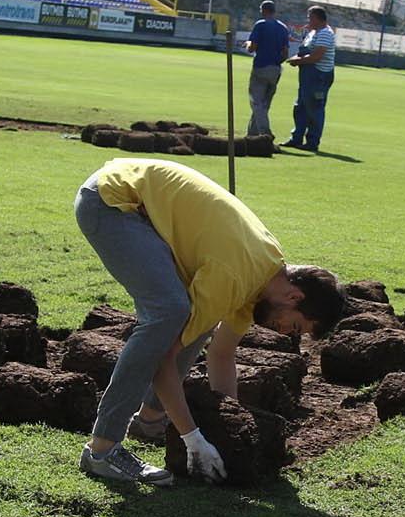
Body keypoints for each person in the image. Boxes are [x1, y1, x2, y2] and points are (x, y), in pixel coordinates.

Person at [71, 157, 344, 485]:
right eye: (295, 326)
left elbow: (222, 354)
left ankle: (150, 420)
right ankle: (102, 450)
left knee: (195, 326)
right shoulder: (234, 276)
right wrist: (192, 438)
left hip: (140, 206)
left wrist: (229, 424)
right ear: (294, 298)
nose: (286, 333)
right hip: (113, 200)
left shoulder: (263, 276)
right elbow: (163, 360)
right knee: (168, 316)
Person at [285, 5, 337, 152]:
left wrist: (298, 61)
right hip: (307, 77)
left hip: (318, 77)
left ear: (317, 18)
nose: (308, 20)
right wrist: (294, 59)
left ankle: (312, 142)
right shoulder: (313, 33)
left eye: (310, 17)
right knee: (300, 107)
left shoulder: (325, 33)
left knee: (315, 108)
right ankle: (296, 138)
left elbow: (316, 56)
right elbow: (304, 52)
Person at [244, 1, 292, 140]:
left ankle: (265, 132)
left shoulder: (261, 24)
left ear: (262, 10)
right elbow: (285, 53)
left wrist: (248, 44)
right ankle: (252, 134)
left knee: (256, 102)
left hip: (261, 67)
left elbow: (252, 47)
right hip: (276, 69)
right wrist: (276, 64)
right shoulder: (283, 28)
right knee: (264, 104)